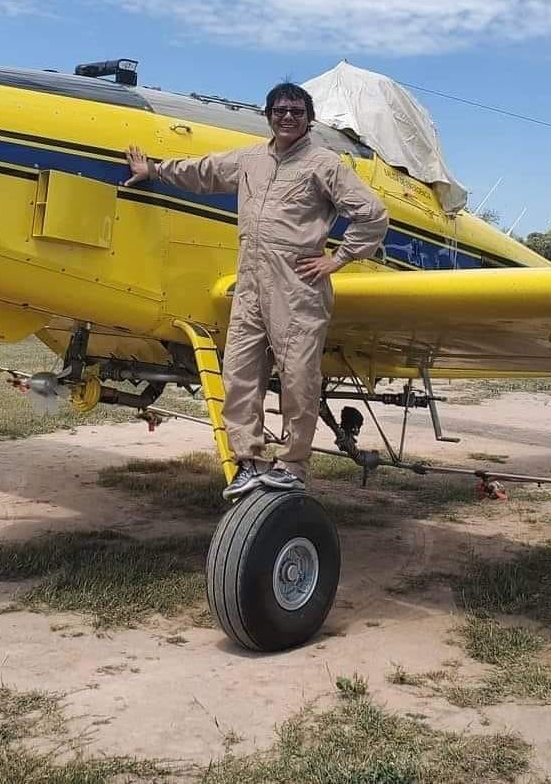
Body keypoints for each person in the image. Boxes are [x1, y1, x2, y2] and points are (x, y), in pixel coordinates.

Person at [124, 82, 388, 499]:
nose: (287, 116)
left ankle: (292, 464)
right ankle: (248, 460)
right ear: (268, 115)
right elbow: (204, 171)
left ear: (309, 118)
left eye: (296, 111)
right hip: (248, 284)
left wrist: (339, 258)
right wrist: (154, 170)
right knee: (239, 375)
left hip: (298, 287)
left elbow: (372, 215)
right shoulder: (250, 158)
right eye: (280, 110)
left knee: (299, 378)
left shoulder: (325, 164)